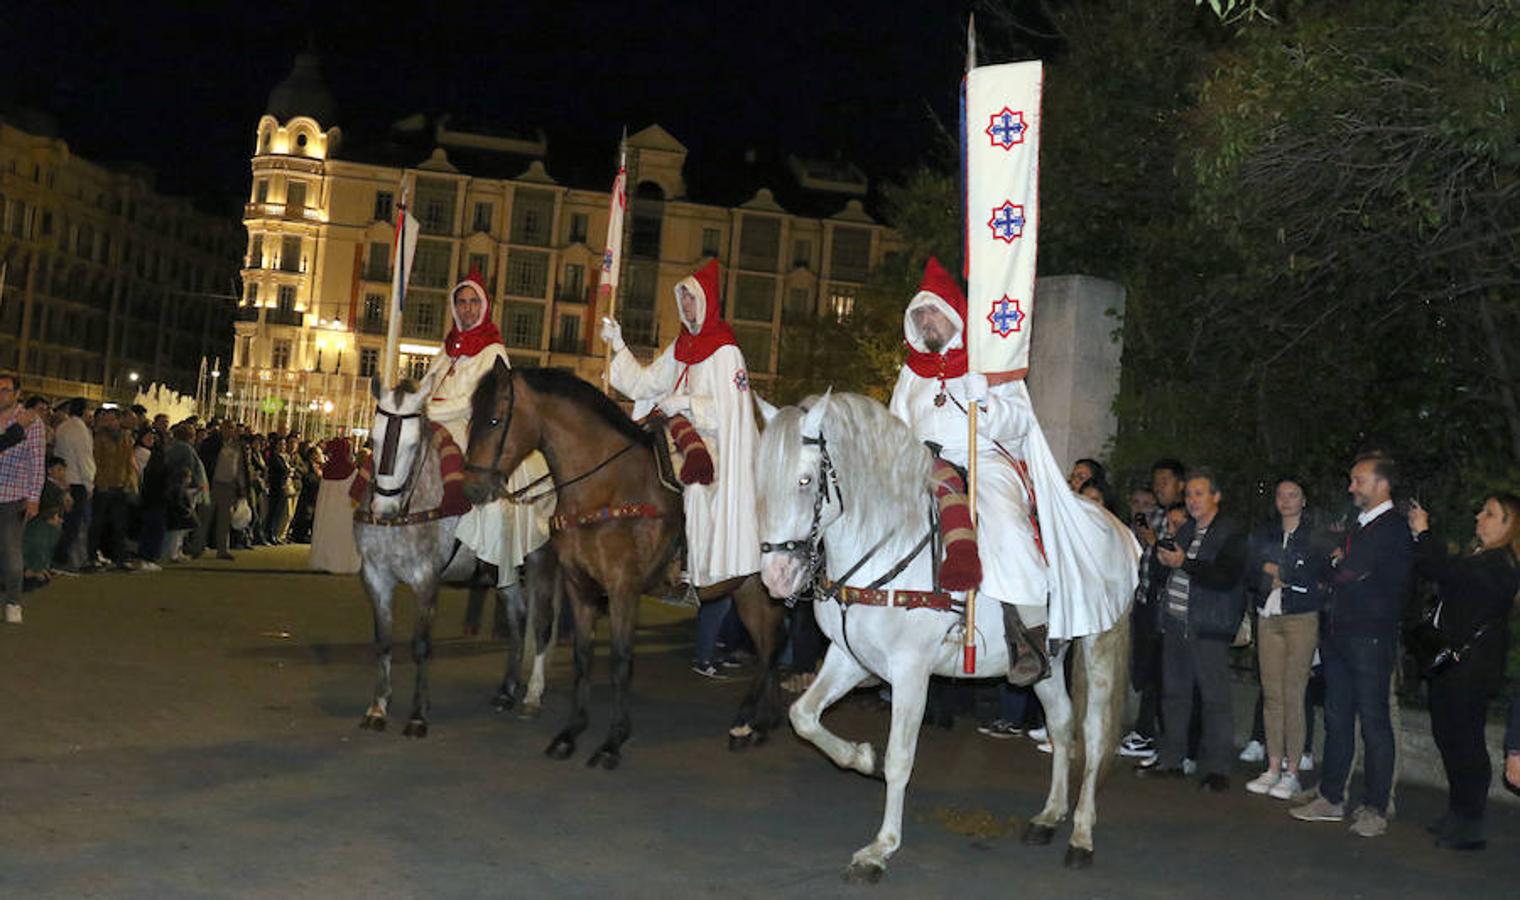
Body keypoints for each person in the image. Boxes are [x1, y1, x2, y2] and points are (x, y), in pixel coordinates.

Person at [884, 257, 1136, 685]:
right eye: (919, 314)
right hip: (922, 465)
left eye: (933, 312)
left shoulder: (990, 362)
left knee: (1005, 526)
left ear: (952, 316)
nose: (926, 321)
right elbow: (895, 426)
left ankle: (1031, 635)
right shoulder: (912, 373)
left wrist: (985, 401)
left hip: (984, 460)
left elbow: (1020, 423)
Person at [601, 259, 760, 674]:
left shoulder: (726, 350)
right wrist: (619, 346)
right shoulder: (679, 347)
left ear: (707, 302)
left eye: (692, 298)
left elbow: (733, 410)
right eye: (682, 297)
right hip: (670, 427)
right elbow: (644, 384)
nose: (686, 305)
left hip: (712, 440)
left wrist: (687, 403)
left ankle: (694, 565)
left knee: (698, 481)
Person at [1291, 453, 1414, 838]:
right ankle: (1332, 794)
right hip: (1341, 632)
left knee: (1374, 722)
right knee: (1337, 715)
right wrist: (1334, 564)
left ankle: (1376, 806)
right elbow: (1340, 567)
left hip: (1369, 636)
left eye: (1358, 480)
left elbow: (1345, 571)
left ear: (1382, 485)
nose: (1351, 487)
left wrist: (1330, 566)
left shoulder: (1391, 527)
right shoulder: (1361, 526)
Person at [421, 271, 552, 586]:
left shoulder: (493, 350)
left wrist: (431, 410)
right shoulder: (448, 347)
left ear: (484, 306)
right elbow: (429, 382)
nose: (467, 309)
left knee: (476, 472)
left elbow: (474, 401)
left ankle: (483, 547)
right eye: (462, 302)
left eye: (473, 302)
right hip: (430, 418)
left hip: (466, 424)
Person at [1408, 493, 1520, 850]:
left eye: (1490, 514)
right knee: (1448, 735)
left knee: (1466, 741)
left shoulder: (1500, 564)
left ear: (1509, 526)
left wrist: (1424, 533)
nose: (1479, 517)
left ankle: (1470, 822)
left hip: (1472, 667)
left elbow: (1441, 570)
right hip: (1452, 661)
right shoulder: (1481, 558)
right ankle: (1458, 811)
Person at [1136, 468, 1247, 793]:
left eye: (1199, 494)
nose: (1193, 500)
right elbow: (1164, 567)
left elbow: (1225, 577)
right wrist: (1161, 553)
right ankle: (1173, 759)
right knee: (1175, 694)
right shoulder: (1185, 530)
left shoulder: (1230, 533)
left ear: (1216, 496)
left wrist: (1183, 562)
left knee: (1214, 698)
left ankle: (1217, 768)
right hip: (1175, 621)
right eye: (1189, 495)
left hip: (1208, 625)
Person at [1242, 478, 1329, 800]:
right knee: (1272, 694)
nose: (1287, 500)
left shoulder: (1313, 535)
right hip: (1269, 615)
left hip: (1301, 618)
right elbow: (1250, 568)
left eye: (1294, 495)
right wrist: (1271, 569)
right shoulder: (1265, 532)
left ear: (1304, 500)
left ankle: (1293, 771)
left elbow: (1317, 574)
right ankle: (1273, 766)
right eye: (1281, 494)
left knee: (1294, 694)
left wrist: (1279, 569)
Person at [1120, 459, 1188, 759]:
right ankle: (1148, 732)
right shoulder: (1155, 516)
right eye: (1156, 481)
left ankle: (1153, 735)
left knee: (1164, 674)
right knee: (1149, 671)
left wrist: (1156, 542)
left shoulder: (1181, 517)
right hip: (1148, 603)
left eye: (1164, 482)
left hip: (1171, 608)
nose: (1159, 487)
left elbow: (1172, 556)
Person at [0, 374, 44, 623]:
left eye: (6, 390)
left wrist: (34, 497)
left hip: (13, 495)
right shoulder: (21, 424)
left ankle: (14, 601)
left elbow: (36, 463)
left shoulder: (31, 421)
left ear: (17, 393)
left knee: (10, 550)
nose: (0, 394)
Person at [89, 407, 138, 570]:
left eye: (112, 419)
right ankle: (92, 556)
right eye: (107, 419)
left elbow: (128, 461)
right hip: (104, 486)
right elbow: (96, 461)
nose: (109, 422)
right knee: (98, 523)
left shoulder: (125, 437)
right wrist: (100, 482)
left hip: (120, 486)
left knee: (119, 524)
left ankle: (119, 558)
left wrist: (127, 481)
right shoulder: (99, 438)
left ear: (118, 420)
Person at [52, 398, 94, 571]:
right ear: (84, 411)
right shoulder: (80, 430)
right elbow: (84, 458)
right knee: (75, 524)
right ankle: (64, 559)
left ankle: (65, 558)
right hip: (77, 481)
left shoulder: (63, 427)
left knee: (67, 522)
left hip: (64, 479)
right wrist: (89, 482)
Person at [309, 437, 361, 574]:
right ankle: (342, 563)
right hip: (345, 511)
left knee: (328, 534)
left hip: (328, 512)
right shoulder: (352, 471)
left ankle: (325, 562)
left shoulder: (327, 471)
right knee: (342, 535)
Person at [161, 424, 207, 562]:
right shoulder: (184, 449)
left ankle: (176, 550)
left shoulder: (177, 448)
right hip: (185, 489)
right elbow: (188, 468)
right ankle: (173, 552)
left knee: (181, 524)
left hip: (183, 487)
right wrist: (193, 484)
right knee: (181, 523)